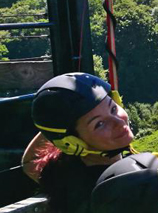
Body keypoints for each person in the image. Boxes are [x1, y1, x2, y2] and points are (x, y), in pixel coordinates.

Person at [20, 72, 135, 213]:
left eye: (113, 108)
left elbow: (29, 163)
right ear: (72, 143)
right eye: (99, 124)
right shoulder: (117, 190)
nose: (118, 122)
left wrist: (56, 127)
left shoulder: (67, 174)